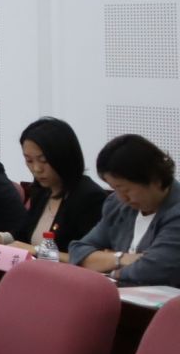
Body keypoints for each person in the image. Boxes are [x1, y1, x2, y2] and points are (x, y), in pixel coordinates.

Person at [69, 135, 180, 287]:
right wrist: (121, 258)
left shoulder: (176, 212)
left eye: (125, 189)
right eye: (115, 189)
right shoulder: (117, 206)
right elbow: (77, 251)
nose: (122, 198)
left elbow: (152, 269)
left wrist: (110, 270)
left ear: (154, 179)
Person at [16, 117, 106, 251]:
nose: (37, 169)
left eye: (44, 160)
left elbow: (89, 256)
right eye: (29, 160)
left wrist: (35, 251)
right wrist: (0, 238)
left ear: (63, 156)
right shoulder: (41, 191)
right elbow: (21, 235)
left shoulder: (89, 197)